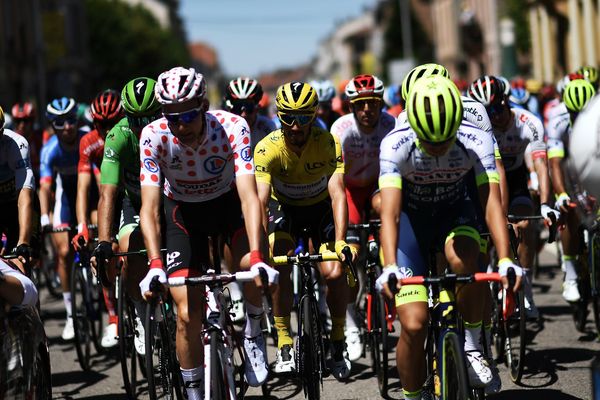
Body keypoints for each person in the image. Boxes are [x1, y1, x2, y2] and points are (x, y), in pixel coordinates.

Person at [376, 75, 520, 399]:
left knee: (465, 259)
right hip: (413, 223)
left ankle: (470, 346)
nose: (439, 148)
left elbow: (491, 204)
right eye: (430, 141)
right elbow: (391, 214)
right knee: (413, 325)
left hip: (456, 212)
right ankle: (413, 395)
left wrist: (506, 257)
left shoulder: (476, 139)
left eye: (446, 140)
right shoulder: (394, 144)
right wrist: (388, 266)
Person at [137, 67, 278, 397]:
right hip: (183, 215)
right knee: (187, 314)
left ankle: (254, 327)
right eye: (172, 117)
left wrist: (258, 256)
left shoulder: (231, 127)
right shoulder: (154, 135)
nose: (181, 126)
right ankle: (194, 392)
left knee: (249, 268)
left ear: (203, 106)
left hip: (227, 205)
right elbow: (149, 209)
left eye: (188, 115)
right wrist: (155, 264)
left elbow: (249, 196)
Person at [254, 81, 357, 379]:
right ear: (278, 116)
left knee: (335, 272)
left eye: (302, 118)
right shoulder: (267, 148)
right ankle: (285, 340)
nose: (295, 126)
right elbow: (260, 202)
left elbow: (338, 193)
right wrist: (261, 252)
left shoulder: (327, 142)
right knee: (280, 262)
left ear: (313, 115)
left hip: (319, 208)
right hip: (283, 209)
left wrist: (339, 242)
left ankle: (338, 341)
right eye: (288, 118)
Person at [468, 75, 561, 319]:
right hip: (485, 180)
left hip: (516, 177)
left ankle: (526, 289)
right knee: (483, 232)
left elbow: (542, 165)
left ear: (507, 102)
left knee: (524, 224)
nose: (495, 116)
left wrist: (544, 204)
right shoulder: (476, 128)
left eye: (498, 108)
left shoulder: (528, 122)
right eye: (487, 112)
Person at [91, 77, 162, 356]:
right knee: (128, 249)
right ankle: (141, 312)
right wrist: (104, 242)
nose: (143, 127)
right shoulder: (118, 136)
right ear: (126, 116)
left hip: (169, 200)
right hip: (134, 203)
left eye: (150, 118)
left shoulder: (171, 130)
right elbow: (108, 193)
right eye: (136, 120)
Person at [329, 74, 396, 361]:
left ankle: (389, 268)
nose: (367, 109)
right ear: (351, 106)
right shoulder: (341, 129)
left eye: (373, 103)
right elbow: (336, 180)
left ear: (380, 104)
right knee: (349, 255)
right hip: (351, 191)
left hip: (379, 187)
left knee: (388, 212)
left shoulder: (391, 124)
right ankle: (351, 324)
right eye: (360, 104)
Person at [72, 89, 123, 348]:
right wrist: (82, 225)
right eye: (100, 124)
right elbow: (82, 189)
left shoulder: (128, 135)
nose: (105, 129)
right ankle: (113, 317)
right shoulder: (89, 142)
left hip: (128, 193)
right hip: (102, 196)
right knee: (102, 253)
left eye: (111, 123)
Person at [547, 79, 596, 302]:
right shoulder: (557, 121)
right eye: (573, 114)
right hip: (568, 168)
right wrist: (562, 194)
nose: (578, 119)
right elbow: (555, 163)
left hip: (592, 164)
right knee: (570, 211)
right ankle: (571, 273)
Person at [39, 97, 84, 340]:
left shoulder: (87, 139)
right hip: (66, 198)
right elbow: (45, 187)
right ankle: (70, 315)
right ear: (52, 126)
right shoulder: (50, 150)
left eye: (71, 120)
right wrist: (45, 216)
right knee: (64, 253)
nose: (67, 126)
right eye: (60, 122)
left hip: (91, 195)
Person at [0, 106, 36, 267]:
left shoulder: (17, 145)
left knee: (23, 258)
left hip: (18, 205)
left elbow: (25, 196)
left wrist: (23, 243)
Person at [11, 102, 43, 180]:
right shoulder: (9, 141)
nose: (22, 125)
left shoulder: (41, 137)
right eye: (18, 121)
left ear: (32, 121)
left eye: (25, 120)